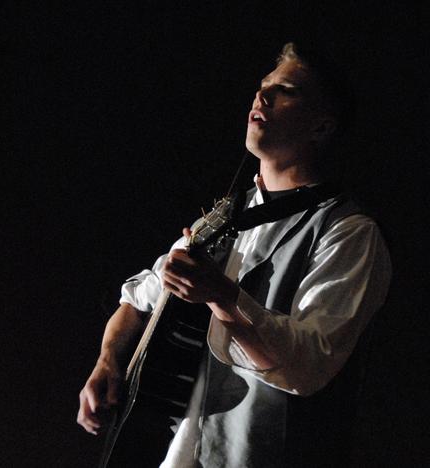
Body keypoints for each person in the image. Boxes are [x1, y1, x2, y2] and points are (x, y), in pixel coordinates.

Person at [77, 42, 392, 467]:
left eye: (287, 91)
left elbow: (309, 364)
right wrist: (108, 362)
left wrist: (223, 297)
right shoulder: (222, 219)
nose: (262, 98)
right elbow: (138, 299)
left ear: (321, 127)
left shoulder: (348, 233)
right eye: (264, 87)